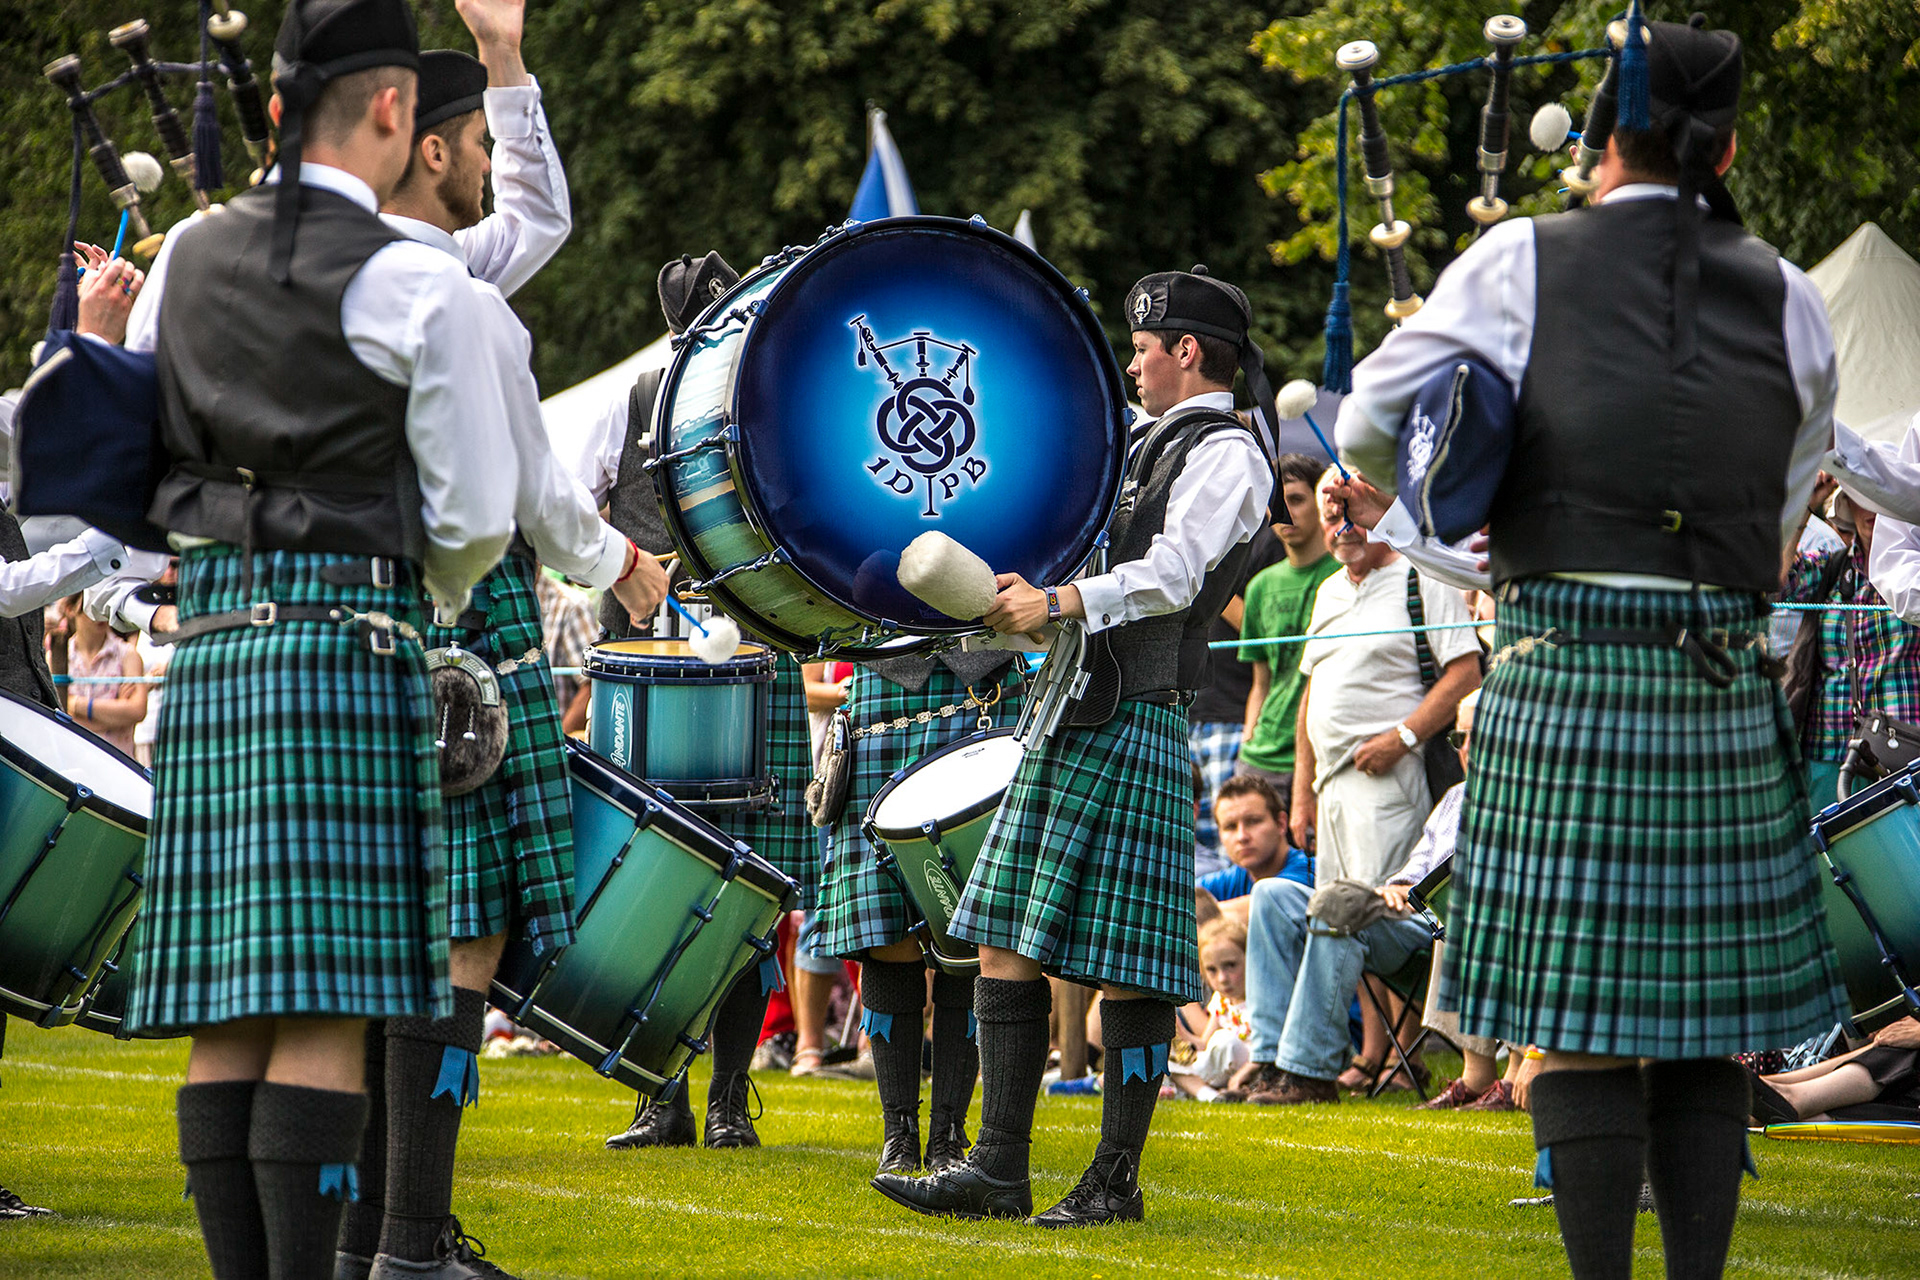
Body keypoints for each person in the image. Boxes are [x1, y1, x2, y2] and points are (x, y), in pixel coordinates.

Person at [1334, 19, 1847, 1279]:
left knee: (1573, 1023)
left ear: (1605, 137)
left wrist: (1472, 467)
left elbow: (1365, 420)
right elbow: (1784, 501)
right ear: (1725, 145)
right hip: (1719, 674)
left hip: (1561, 666)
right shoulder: (1791, 293)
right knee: (1703, 1026)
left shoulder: (1519, 258)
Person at [115, 5, 526, 1277]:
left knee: (225, 1002)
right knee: (327, 1006)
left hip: (215, 645)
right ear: (397, 111)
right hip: (349, 641)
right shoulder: (421, 282)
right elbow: (471, 520)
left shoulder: (182, 254)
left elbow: (135, 436)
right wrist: (432, 585)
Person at [330, 20, 666, 1279]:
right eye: (470, 137)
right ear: (422, 145)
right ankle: (412, 1235)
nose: (488, 159)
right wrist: (622, 565)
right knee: (459, 936)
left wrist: (503, 63)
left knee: (376, 936)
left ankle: (379, 1225)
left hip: (338, 626)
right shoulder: (459, 300)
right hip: (459, 622)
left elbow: (536, 211)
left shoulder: (318, 268)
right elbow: (527, 483)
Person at [872, 267, 1273, 1227]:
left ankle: (1114, 1181)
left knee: (1134, 959)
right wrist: (1024, 602)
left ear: (1186, 350)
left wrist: (1059, 602)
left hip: (1138, 712)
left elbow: (1173, 576)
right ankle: (997, 1168)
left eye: (1142, 349)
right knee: (1004, 933)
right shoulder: (1135, 445)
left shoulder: (1231, 456)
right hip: (1070, 705)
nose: (1131, 365)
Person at [595, 254, 818, 1153]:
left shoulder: (788, 399)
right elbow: (582, 519)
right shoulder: (640, 395)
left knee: (748, 903)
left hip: (756, 667)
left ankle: (728, 1096)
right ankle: (663, 1097)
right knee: (659, 896)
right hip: (655, 674)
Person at [810, 648, 1024, 1174]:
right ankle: (898, 1133)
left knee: (971, 931)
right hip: (882, 687)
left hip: (983, 687)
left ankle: (949, 1133)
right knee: (884, 932)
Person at [1187, 476, 1291, 876]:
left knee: (1233, 843)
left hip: (1233, 712)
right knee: (1194, 841)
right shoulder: (1194, 539)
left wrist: (1203, 578)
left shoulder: (1266, 540)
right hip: (1190, 712)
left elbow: (1263, 634)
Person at [1235, 453, 1339, 796]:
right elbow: (1261, 681)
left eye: (1295, 499)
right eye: (1275, 501)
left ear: (1321, 501)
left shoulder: (1345, 575)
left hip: (1324, 753)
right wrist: (1250, 733)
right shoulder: (1260, 586)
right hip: (1261, 756)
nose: (1284, 511)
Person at [1166, 917, 1253, 1103]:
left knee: (1226, 1041)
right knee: (1163, 1057)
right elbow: (1205, 1043)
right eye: (1212, 970)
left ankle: (1187, 1087)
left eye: (1230, 965)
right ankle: (1208, 1095)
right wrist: (1181, 1033)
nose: (1222, 978)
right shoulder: (1220, 1000)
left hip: (1248, 1069)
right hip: (1216, 1065)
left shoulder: (1260, 999)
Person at [58, 594, 146, 755]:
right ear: (71, 609)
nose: (100, 615)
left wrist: (76, 704)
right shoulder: (58, 656)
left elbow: (137, 711)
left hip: (117, 762)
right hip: (71, 758)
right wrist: (116, 713)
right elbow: (54, 715)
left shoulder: (127, 654)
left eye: (105, 606)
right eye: (92, 606)